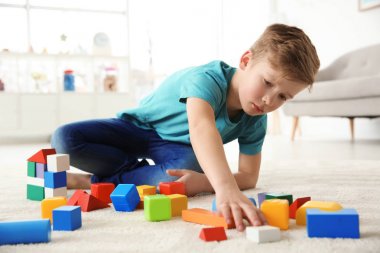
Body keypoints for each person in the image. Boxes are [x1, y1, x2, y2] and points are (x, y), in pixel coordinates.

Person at [51, 23, 320, 232]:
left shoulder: (256, 120)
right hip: (134, 127)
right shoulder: (208, 79)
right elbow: (201, 127)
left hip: (174, 149)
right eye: (268, 83)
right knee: (64, 139)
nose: (269, 100)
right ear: (246, 61)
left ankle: (93, 182)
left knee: (179, 178)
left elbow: (249, 176)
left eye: (283, 97)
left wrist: (205, 182)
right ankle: (126, 172)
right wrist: (225, 188)